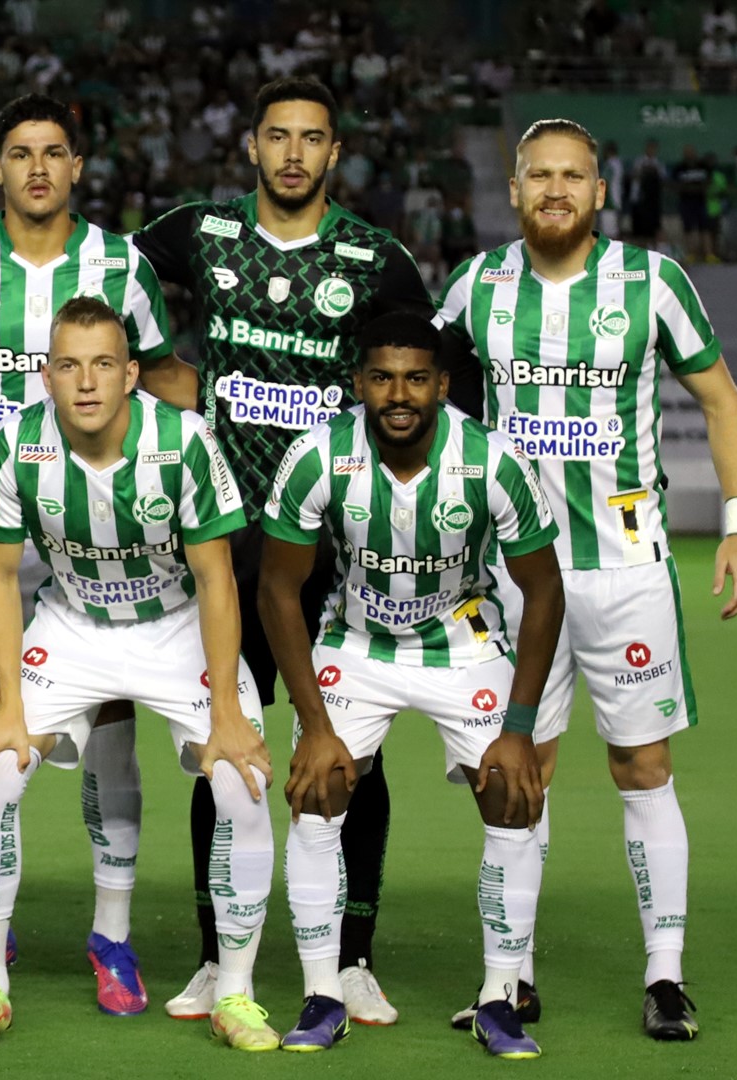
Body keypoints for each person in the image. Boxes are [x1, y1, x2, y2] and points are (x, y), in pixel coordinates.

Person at [0, 75, 438, 1025]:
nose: (294, 152)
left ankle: (325, 957)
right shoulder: (188, 234)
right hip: (34, 543)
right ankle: (13, 956)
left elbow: (413, 368)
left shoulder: (366, 259)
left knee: (309, 749)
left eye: (54, 154)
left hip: (290, 539)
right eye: (278, 135)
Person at [437, 118, 737, 1041]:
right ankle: (510, 979)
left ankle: (665, 976)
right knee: (515, 771)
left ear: (600, 190)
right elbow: (416, 393)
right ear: (512, 190)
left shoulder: (651, 282)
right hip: (510, 578)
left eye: (572, 174)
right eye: (538, 174)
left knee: (643, 766)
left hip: (626, 573)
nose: (555, 188)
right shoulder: (476, 287)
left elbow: (722, 400)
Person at [0, 92, 191, 1013]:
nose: (37, 167)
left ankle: (112, 933)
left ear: (76, 168)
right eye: (20, 153)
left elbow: (162, 378)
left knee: (110, 724)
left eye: (54, 152)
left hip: (98, 528)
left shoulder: (121, 262)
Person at [0, 296, 278, 1050]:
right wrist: (4, 704)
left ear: (132, 374)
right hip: (71, 626)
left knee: (242, 783)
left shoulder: (185, 440)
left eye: (103, 365)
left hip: (175, 628)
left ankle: (236, 993)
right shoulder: (14, 445)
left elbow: (219, 580)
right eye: (69, 365)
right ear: (46, 375)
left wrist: (225, 710)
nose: (86, 382)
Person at [261, 310, 562, 1057]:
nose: (400, 394)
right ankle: (323, 993)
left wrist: (519, 729)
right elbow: (277, 591)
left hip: (462, 643)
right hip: (356, 644)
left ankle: (499, 997)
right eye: (384, 377)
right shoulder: (317, 457)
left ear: (442, 385)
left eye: (417, 378)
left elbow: (545, 592)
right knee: (316, 791)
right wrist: (316, 726)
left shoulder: (494, 461)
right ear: (359, 382)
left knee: (513, 794)